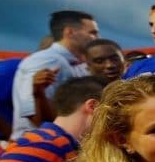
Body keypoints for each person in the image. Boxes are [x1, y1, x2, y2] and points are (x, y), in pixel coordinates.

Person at [11, 11, 99, 140]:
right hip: (38, 145)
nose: (97, 38)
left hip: (58, 142)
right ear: (69, 32)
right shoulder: (45, 60)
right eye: (92, 33)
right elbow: (32, 114)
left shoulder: (75, 63)